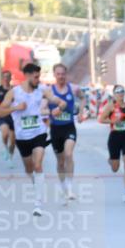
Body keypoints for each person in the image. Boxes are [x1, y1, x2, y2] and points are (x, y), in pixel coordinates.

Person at [0, 62, 68, 216]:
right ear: (27, 76)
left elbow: (59, 100)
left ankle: (38, 204)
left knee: (38, 164)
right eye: (35, 77)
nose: (38, 79)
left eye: (39, 76)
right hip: (22, 137)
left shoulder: (42, 89)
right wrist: (15, 108)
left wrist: (59, 107)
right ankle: (37, 183)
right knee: (29, 168)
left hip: (39, 133)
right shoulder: (14, 93)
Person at [48, 63, 86, 203]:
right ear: (54, 75)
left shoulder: (73, 88)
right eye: (58, 74)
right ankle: (63, 186)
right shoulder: (49, 91)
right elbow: (42, 109)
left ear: (66, 74)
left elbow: (83, 98)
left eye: (63, 74)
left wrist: (81, 112)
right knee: (60, 161)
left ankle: (70, 188)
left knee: (69, 154)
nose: (61, 76)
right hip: (55, 129)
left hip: (69, 127)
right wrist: (51, 112)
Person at [98, 85, 125, 202]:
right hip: (114, 137)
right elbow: (101, 119)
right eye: (118, 92)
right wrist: (113, 120)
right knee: (115, 168)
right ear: (114, 94)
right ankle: (111, 160)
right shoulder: (111, 106)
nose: (120, 94)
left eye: (122, 91)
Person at [0, 70, 16, 163]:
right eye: (4, 76)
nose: (6, 78)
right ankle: (5, 148)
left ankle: (10, 157)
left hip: (13, 116)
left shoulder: (14, 90)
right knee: (5, 133)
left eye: (8, 76)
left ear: (10, 78)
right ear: (3, 78)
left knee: (13, 141)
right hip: (2, 115)